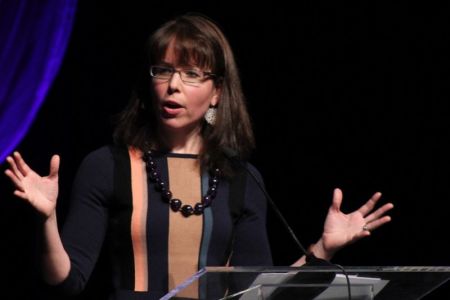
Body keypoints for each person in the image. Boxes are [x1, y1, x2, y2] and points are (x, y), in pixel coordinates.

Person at [4, 13, 393, 300]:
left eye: (192, 74)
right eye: (164, 71)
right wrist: (47, 219)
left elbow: (256, 290)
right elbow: (66, 281)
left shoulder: (242, 178)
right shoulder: (107, 165)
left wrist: (324, 249)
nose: (173, 85)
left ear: (217, 92)